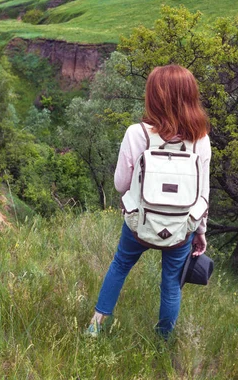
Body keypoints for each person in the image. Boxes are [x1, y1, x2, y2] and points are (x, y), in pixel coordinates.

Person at [87, 65, 211, 338]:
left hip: (139, 224)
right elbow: (203, 194)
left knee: (120, 266)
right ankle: (162, 340)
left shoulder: (137, 133)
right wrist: (200, 232)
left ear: (153, 96)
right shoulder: (200, 140)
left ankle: (95, 327)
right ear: (190, 97)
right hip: (180, 229)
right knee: (171, 284)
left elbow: (120, 185)